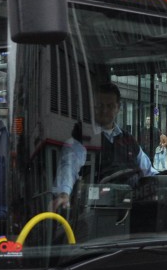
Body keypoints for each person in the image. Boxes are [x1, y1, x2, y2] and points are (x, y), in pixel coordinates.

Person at [52, 81, 156, 211]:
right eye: (99, 105)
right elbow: (68, 165)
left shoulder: (129, 140)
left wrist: (164, 182)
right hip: (97, 212)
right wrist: (64, 193)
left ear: (118, 108)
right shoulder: (82, 136)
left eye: (110, 106)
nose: (104, 110)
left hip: (133, 209)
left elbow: (149, 172)